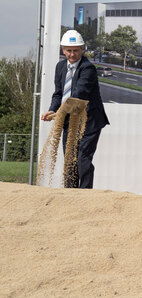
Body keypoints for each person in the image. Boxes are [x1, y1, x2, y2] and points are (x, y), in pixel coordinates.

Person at [40, 30, 109, 188]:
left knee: (83, 157)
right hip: (69, 121)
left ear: (82, 49)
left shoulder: (88, 68)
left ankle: (84, 195)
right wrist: (52, 110)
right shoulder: (60, 67)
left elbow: (79, 93)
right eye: (69, 50)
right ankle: (69, 193)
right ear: (63, 50)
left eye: (76, 50)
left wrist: (61, 112)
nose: (72, 54)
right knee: (69, 159)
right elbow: (58, 94)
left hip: (89, 121)